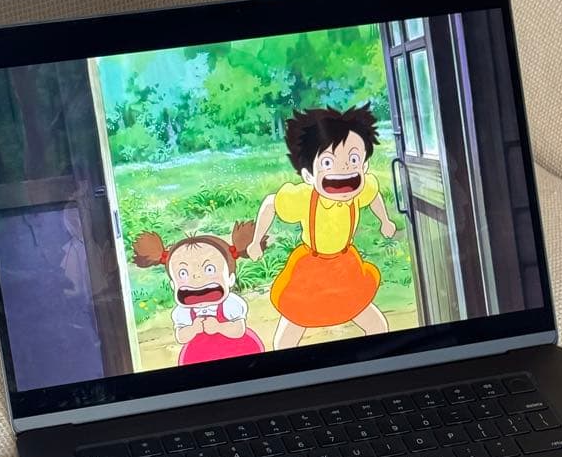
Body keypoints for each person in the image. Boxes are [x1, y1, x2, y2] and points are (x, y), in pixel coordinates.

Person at [247, 104, 396, 349]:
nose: (344, 169)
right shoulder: (304, 198)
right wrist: (255, 241)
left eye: (354, 159)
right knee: (293, 323)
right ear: (308, 175)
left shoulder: (362, 188)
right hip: (311, 268)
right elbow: (271, 203)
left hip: (345, 265)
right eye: (327, 162)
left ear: (365, 166)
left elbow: (374, 194)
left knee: (375, 324)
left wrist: (385, 220)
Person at [133, 222, 265, 366]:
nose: (197, 278)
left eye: (209, 269)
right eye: (183, 273)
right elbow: (181, 337)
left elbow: (239, 329)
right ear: (173, 285)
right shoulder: (182, 312)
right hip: (199, 356)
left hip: (238, 351)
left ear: (230, 279)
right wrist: (193, 329)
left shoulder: (230, 304)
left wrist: (219, 327)